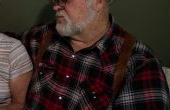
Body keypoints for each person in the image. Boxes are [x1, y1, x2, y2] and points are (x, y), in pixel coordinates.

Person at [13, 0, 170, 109]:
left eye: (65, 0)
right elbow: (1, 42)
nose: (55, 7)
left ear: (98, 2)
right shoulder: (41, 37)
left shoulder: (139, 64)